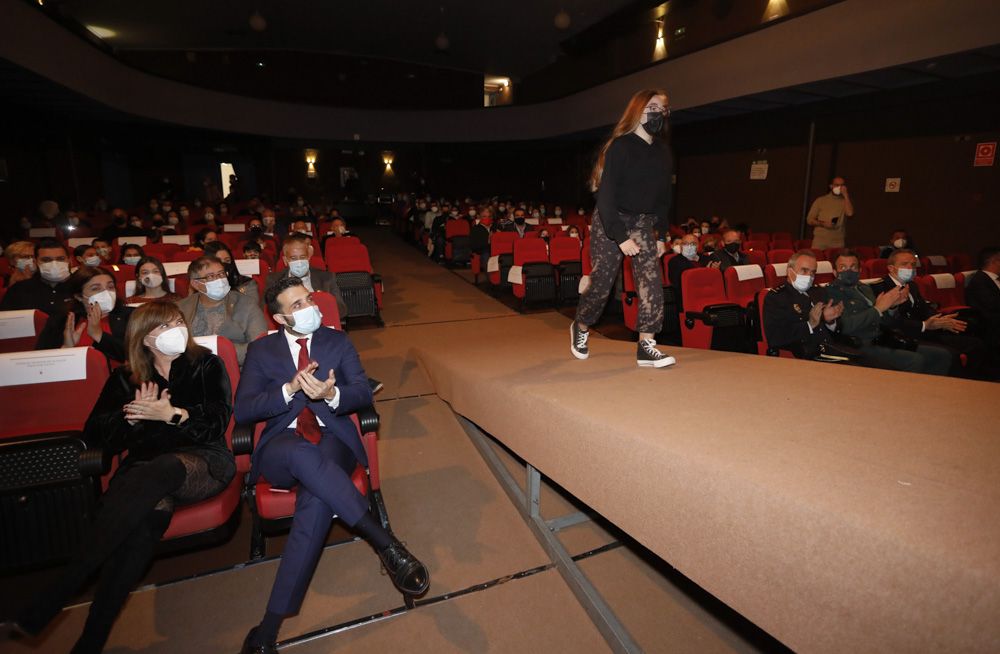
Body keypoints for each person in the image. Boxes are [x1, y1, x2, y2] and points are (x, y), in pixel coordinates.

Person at [8, 301, 234, 652]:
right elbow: (94, 434)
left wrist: (171, 414)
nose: (175, 329)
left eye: (177, 321)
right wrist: (129, 420)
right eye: (163, 326)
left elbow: (217, 425)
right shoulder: (126, 379)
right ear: (144, 339)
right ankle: (91, 641)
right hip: (144, 474)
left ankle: (65, 585)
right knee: (140, 530)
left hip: (201, 464)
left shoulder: (205, 363)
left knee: (163, 468)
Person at [235, 277, 428, 654]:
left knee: (316, 498)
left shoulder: (336, 341)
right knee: (303, 456)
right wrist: (289, 390)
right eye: (297, 305)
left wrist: (332, 394)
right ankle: (385, 543)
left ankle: (267, 631)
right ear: (278, 317)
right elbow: (244, 408)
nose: (310, 307)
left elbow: (359, 390)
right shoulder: (263, 351)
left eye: (308, 298)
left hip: (332, 438)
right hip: (281, 444)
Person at [571, 89, 675, 368]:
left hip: (643, 221)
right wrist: (619, 237)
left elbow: (664, 198)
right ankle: (581, 327)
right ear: (638, 110)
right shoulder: (621, 146)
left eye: (663, 108)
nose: (659, 112)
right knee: (602, 286)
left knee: (651, 284)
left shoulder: (663, 152)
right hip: (611, 219)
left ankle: (646, 346)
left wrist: (662, 234)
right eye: (653, 106)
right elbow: (605, 198)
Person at [826, 252, 951, 375]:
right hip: (860, 343)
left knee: (941, 355)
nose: (849, 271)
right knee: (915, 360)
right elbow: (846, 326)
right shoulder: (831, 293)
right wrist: (877, 309)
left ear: (859, 270)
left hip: (883, 339)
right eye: (843, 267)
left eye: (853, 267)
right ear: (835, 272)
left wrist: (892, 307)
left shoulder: (865, 289)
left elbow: (884, 321)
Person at [872, 249, 985, 378]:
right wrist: (925, 325)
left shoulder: (912, 285)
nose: (910, 268)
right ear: (891, 268)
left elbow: (923, 309)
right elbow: (891, 322)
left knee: (975, 343)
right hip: (903, 335)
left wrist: (940, 320)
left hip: (924, 331)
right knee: (950, 354)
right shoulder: (880, 288)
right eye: (904, 264)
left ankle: (972, 384)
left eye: (913, 264)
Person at [178, 256, 267, 366]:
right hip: (190, 369)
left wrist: (218, 353)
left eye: (221, 274)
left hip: (233, 369)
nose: (219, 280)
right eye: (210, 276)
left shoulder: (247, 304)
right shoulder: (181, 307)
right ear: (196, 284)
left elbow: (260, 347)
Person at [762, 250, 845, 359]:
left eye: (813, 272)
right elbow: (775, 337)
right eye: (804, 271)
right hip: (805, 355)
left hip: (831, 349)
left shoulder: (818, 292)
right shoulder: (776, 297)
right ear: (790, 271)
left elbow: (838, 331)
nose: (809, 276)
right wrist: (809, 325)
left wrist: (830, 321)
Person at [265, 234, 347, 317]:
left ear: (308, 257)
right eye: (293, 258)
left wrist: (324, 300)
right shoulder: (274, 280)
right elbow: (269, 312)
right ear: (285, 260)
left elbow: (342, 311)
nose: (299, 262)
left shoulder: (327, 278)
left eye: (303, 257)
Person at [0, 238, 74, 312]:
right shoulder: (18, 288)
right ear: (35, 262)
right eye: (46, 260)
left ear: (69, 260)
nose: (54, 264)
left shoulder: (79, 285)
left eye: (60, 259)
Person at [965, 246, 1000, 375]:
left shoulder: (994, 280)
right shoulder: (979, 280)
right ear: (994, 261)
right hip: (988, 321)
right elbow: (992, 304)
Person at [806, 176, 854, 249]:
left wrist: (846, 195)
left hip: (838, 242)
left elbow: (850, 213)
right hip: (820, 241)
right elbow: (809, 220)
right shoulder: (821, 200)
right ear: (831, 186)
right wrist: (823, 224)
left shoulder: (846, 201)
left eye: (842, 185)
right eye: (837, 185)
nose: (840, 187)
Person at [667, 233, 702, 311]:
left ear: (698, 246)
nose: (689, 246)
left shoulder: (706, 259)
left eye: (693, 244)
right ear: (681, 246)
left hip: (707, 295)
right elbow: (678, 283)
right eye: (685, 244)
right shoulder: (675, 261)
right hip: (686, 297)